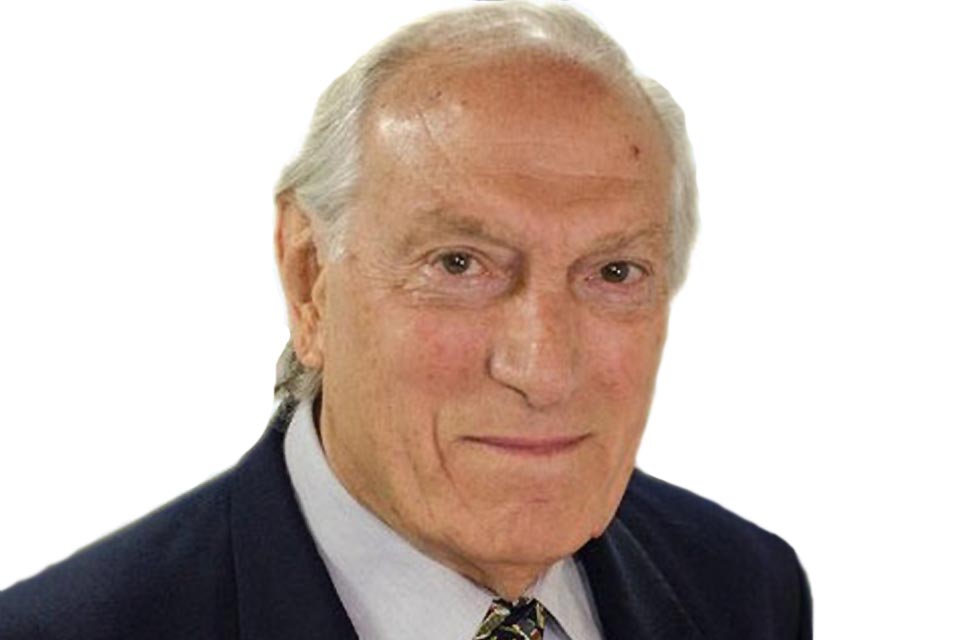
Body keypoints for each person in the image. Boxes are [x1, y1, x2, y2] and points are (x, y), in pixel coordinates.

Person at [0, 2, 811, 638]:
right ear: (309, 279)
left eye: (613, 272)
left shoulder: (746, 587)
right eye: (459, 264)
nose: (542, 369)